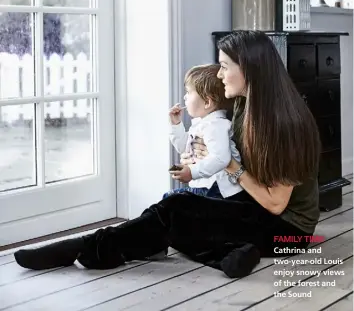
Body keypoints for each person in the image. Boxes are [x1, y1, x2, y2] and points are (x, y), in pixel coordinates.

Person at [14, 30, 321, 279]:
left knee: (176, 209)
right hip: (255, 204)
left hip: (288, 230)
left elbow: (277, 204)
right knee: (173, 208)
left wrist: (229, 165)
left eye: (225, 66)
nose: (220, 74)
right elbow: (226, 150)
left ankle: (87, 248)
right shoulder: (244, 103)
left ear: (249, 69)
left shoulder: (284, 122)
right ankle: (231, 255)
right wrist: (203, 157)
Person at [165, 64, 242, 199]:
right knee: (170, 200)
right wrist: (176, 125)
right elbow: (184, 148)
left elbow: (221, 159)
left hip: (217, 190)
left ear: (207, 102)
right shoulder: (202, 124)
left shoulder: (216, 126)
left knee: (170, 199)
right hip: (206, 187)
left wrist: (192, 172)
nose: (184, 97)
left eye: (188, 92)